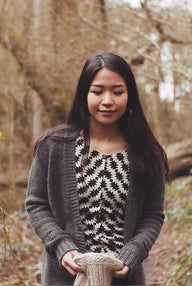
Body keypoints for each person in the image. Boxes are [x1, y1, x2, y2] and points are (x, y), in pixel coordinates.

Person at [26, 52, 169, 286]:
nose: (107, 100)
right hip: (65, 277)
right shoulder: (53, 146)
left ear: (129, 95)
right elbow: (36, 204)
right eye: (98, 91)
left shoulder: (147, 152)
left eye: (118, 92)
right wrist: (61, 247)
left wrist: (134, 252)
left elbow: (153, 215)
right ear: (85, 94)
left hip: (124, 278)